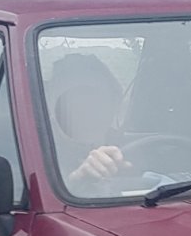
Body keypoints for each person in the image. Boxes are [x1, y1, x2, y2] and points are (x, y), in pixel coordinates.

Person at [48, 53, 132, 187]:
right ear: (51, 107)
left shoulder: (134, 148)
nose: (85, 108)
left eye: (96, 99)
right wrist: (77, 180)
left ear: (114, 104)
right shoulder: (34, 152)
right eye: (72, 100)